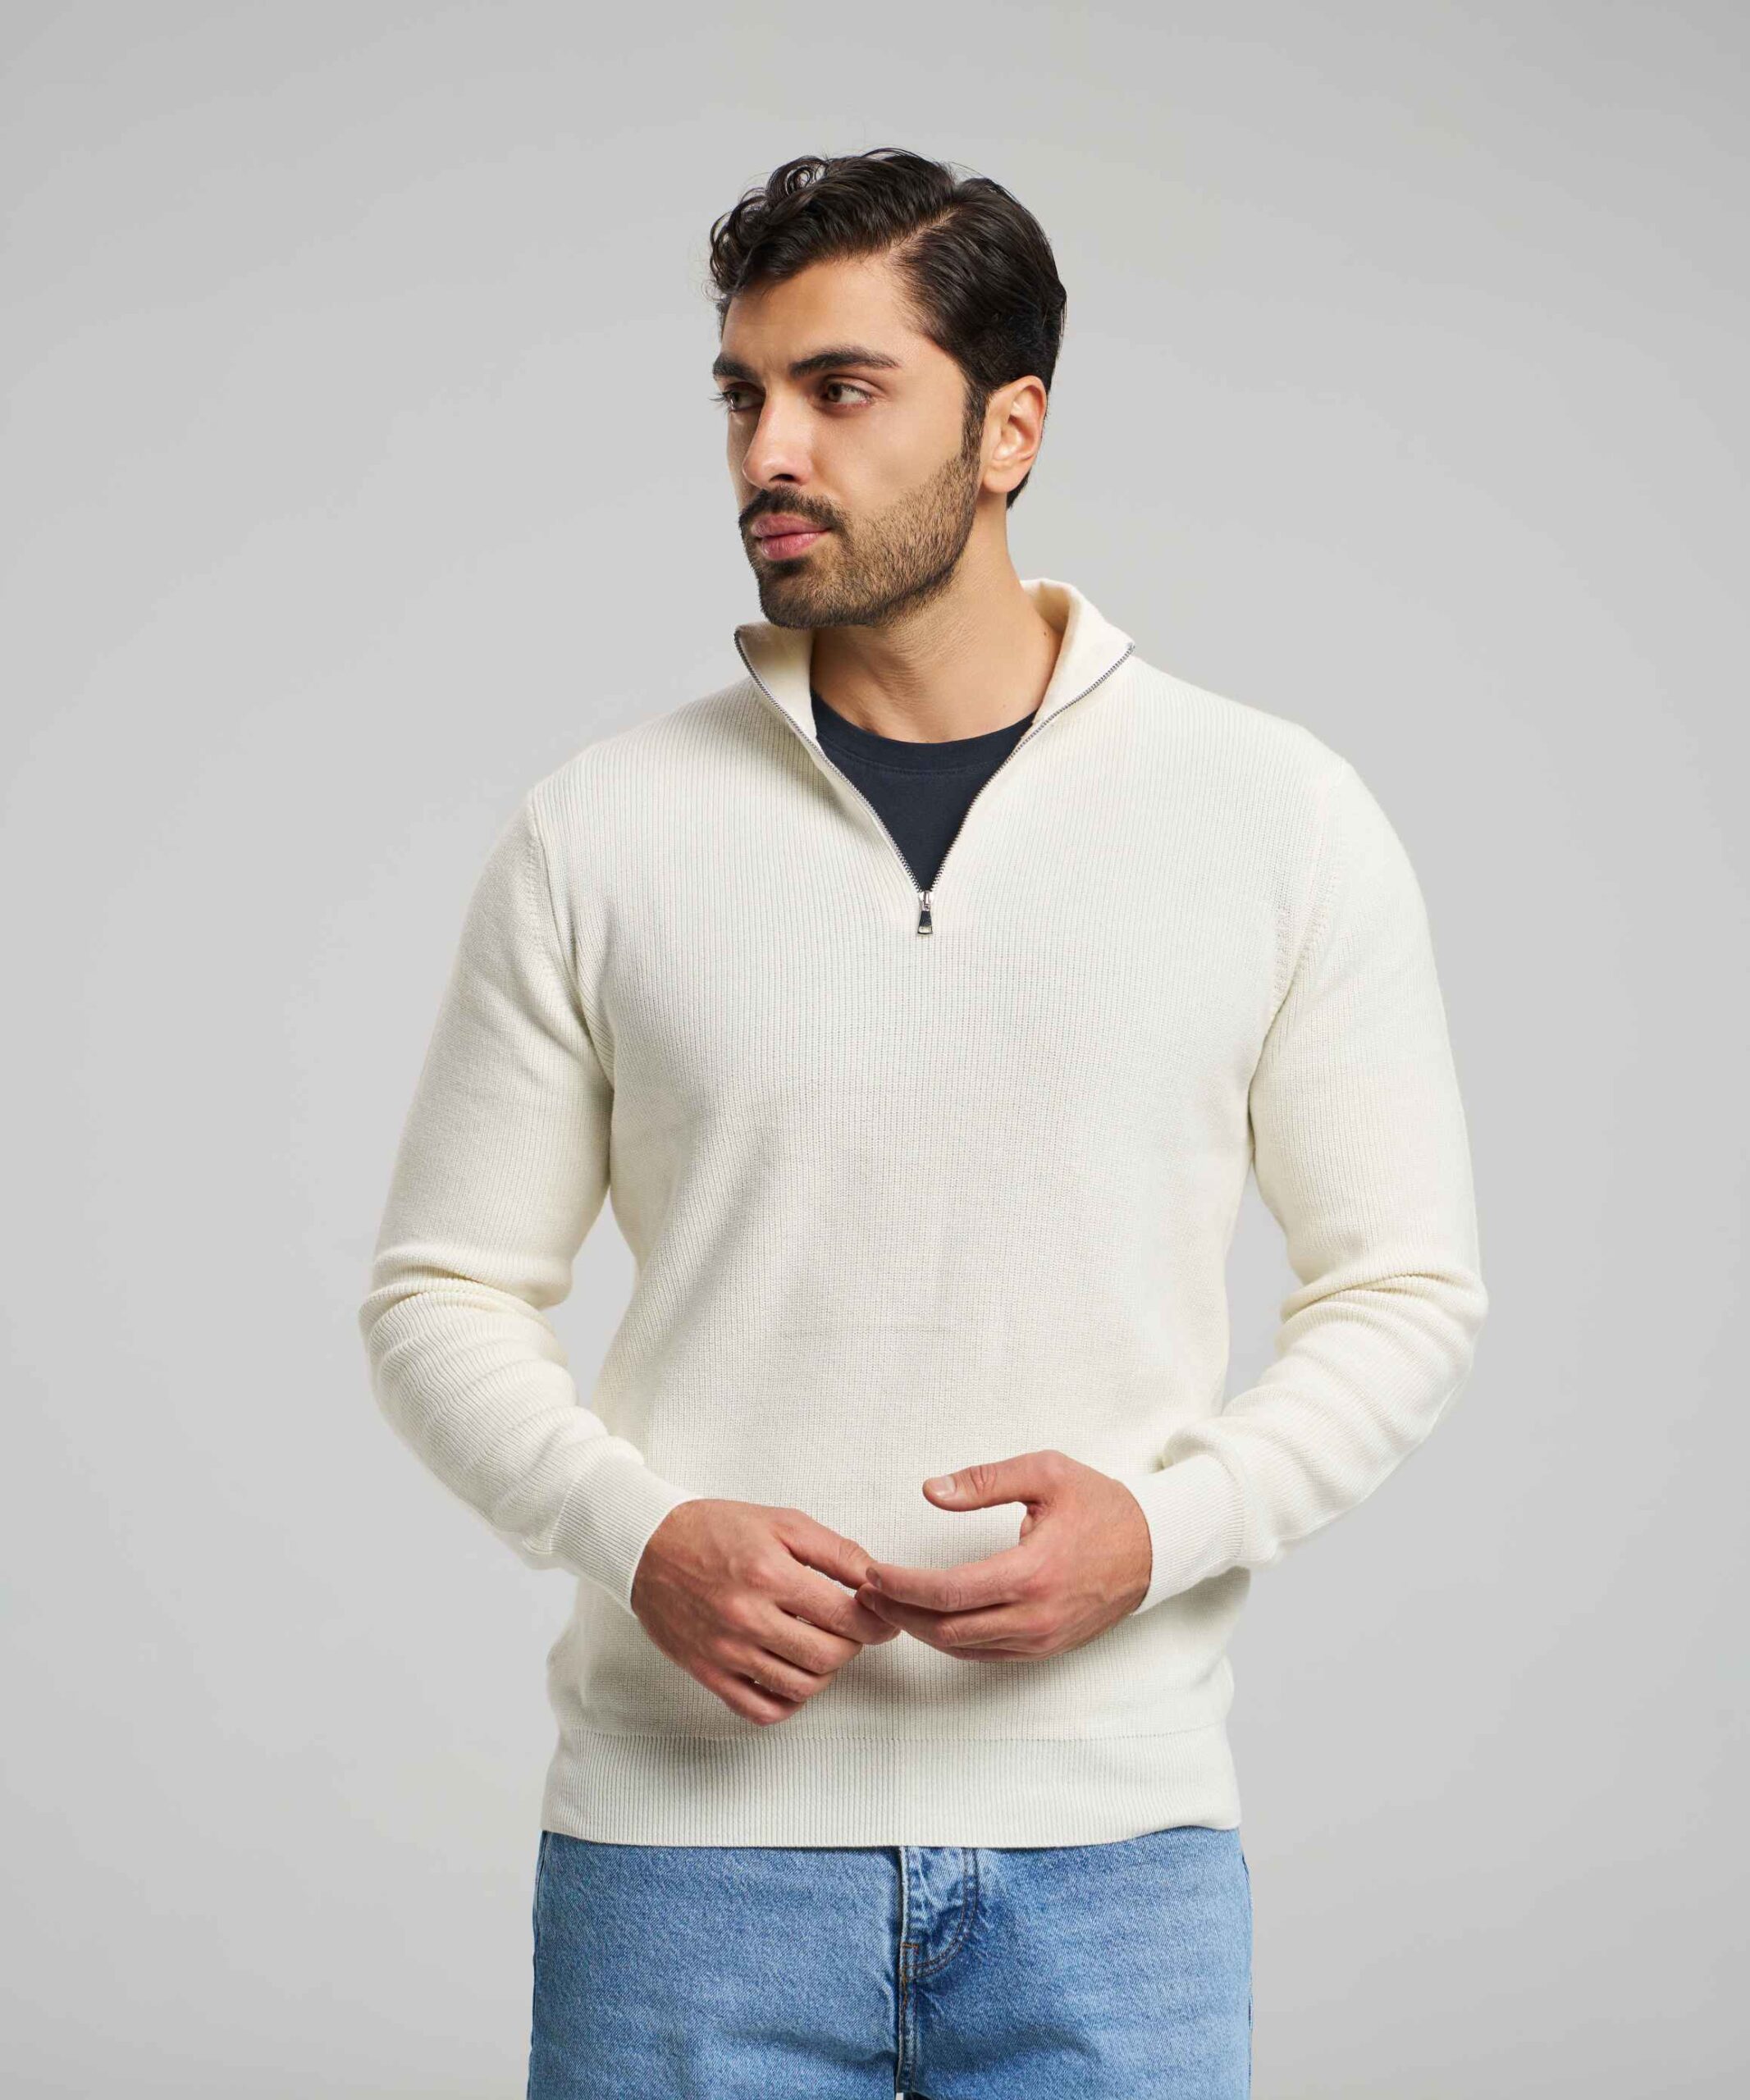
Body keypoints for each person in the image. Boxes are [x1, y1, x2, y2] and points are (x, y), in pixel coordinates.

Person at [358, 146, 1488, 2100]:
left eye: (839, 388)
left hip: (1114, 1858)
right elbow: (436, 1292)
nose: (767, 451)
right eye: (741, 393)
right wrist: (636, 1534)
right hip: (681, 1862)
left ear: (1007, 429)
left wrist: (1162, 1527)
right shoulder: (599, 831)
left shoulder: (1272, 814)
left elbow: (1404, 1289)